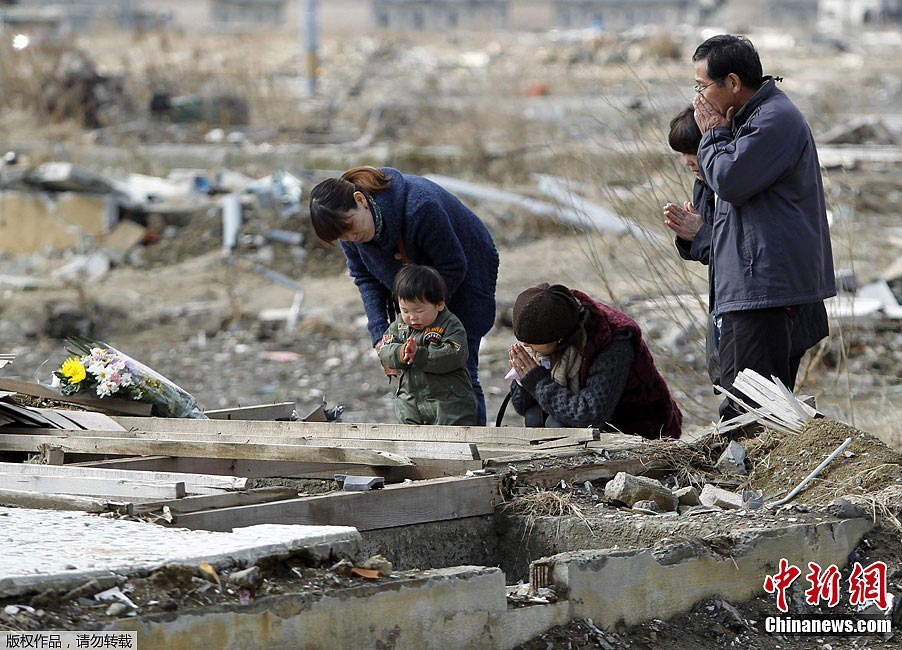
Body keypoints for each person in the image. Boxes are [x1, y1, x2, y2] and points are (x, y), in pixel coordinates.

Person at [691, 34, 835, 419]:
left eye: (702, 87)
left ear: (734, 83)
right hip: (751, 286)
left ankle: (751, 480)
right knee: (747, 400)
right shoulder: (750, 119)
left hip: (764, 290)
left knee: (750, 410)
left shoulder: (774, 120)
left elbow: (731, 180)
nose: (698, 99)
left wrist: (713, 135)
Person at [309, 167, 498, 426]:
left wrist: (427, 317)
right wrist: (380, 336)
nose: (352, 239)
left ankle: (472, 453)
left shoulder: (421, 208)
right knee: (417, 374)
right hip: (415, 293)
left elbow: (453, 265)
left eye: (351, 228)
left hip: (465, 281)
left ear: (360, 200)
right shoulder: (349, 233)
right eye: (343, 236)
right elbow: (365, 278)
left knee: (459, 372)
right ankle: (431, 448)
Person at [506, 283, 682, 439]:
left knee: (557, 426)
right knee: (535, 416)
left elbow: (589, 416)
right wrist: (523, 377)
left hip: (636, 426)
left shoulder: (611, 342)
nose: (526, 345)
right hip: (590, 415)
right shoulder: (554, 330)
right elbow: (523, 407)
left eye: (533, 341)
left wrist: (537, 382)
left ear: (558, 338)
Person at [377, 265, 477, 426]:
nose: (412, 317)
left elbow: (455, 353)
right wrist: (401, 352)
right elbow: (385, 347)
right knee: (412, 443)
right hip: (410, 401)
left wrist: (420, 355)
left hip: (449, 404)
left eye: (418, 310)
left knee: (451, 443)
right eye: (405, 310)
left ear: (439, 304)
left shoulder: (450, 325)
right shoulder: (400, 325)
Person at [663, 106, 719, 384]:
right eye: (683, 154)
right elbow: (711, 252)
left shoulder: (733, 184)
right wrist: (688, 236)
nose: (688, 162)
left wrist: (700, 233)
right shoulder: (703, 184)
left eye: (693, 151)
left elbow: (735, 252)